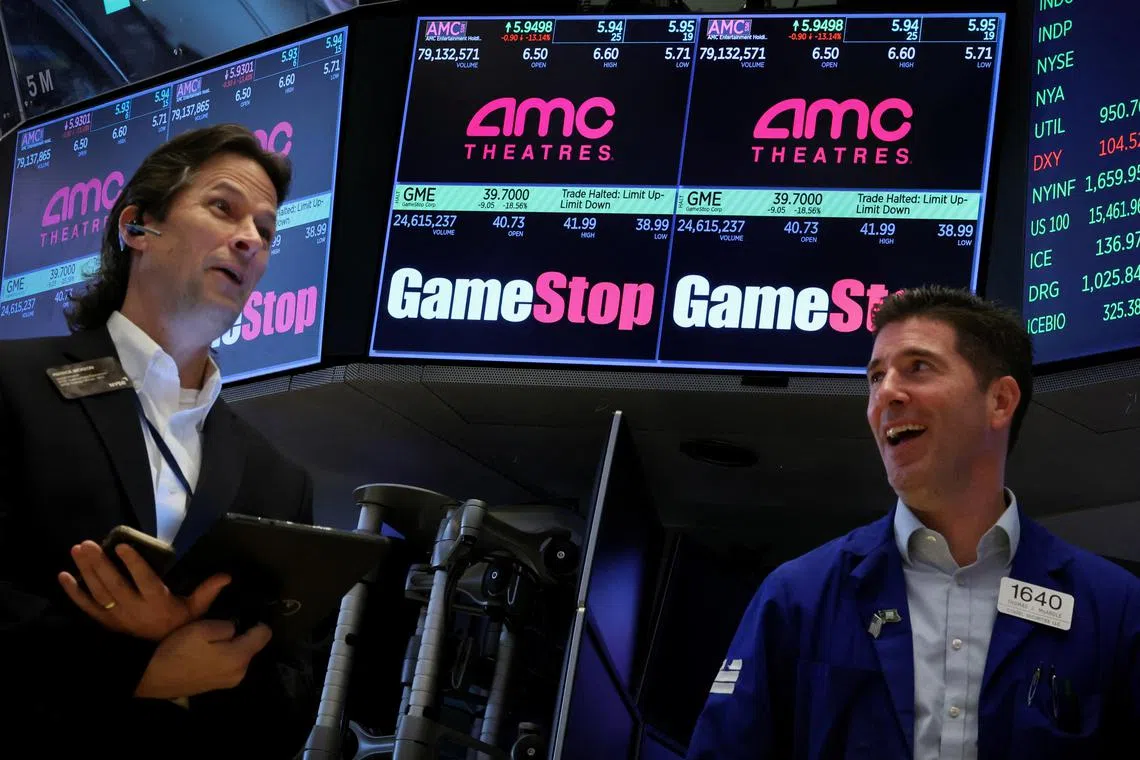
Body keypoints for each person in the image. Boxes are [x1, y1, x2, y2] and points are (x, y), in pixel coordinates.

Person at [685, 286, 1140, 760]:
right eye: (875, 377)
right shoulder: (798, 596)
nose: (885, 393)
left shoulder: (1114, 608)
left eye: (918, 367)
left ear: (1000, 401)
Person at [0, 124, 318, 758]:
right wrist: (141, 669)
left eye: (265, 230)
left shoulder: (280, 481)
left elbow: (290, 704)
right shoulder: (12, 385)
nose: (250, 239)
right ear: (137, 227)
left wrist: (188, 652)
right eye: (223, 207)